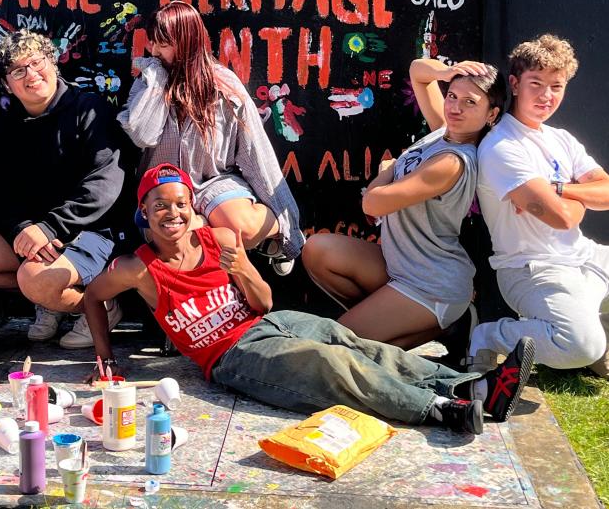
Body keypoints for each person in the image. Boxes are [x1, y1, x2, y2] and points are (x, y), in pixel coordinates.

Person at [83, 163, 534, 434]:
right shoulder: (136, 267)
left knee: (354, 344)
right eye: (159, 205)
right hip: (231, 356)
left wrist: (240, 268)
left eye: (180, 203)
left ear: (193, 207)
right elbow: (91, 298)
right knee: (330, 364)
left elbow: (261, 304)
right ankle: (441, 411)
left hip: (266, 324)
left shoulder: (219, 237)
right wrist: (106, 360)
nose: (172, 213)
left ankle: (474, 387)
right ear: (143, 211)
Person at [302, 59, 506, 350]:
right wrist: (445, 73)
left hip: (431, 284)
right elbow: (417, 71)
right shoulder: (443, 131)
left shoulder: (452, 161)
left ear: (491, 114)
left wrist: (389, 169)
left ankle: (437, 322)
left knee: (332, 345)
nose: (455, 108)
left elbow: (373, 204)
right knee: (317, 251)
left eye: (470, 102)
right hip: (400, 265)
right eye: (451, 96)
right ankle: (401, 323)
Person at [118, 1, 304, 275]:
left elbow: (256, 153)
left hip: (215, 181)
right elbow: (142, 134)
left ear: (187, 41)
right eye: (153, 43)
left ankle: (270, 240)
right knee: (176, 240)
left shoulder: (223, 84)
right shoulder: (148, 81)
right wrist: (157, 79)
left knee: (242, 228)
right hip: (166, 187)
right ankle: (204, 229)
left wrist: (291, 230)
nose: (154, 51)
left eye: (163, 44)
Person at [0, 31, 125, 348]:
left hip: (89, 232)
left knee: (34, 279)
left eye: (37, 63)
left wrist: (52, 226)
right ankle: (53, 302)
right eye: (18, 71)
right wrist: (25, 231)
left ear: (53, 63)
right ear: (8, 84)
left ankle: (101, 308)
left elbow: (106, 183)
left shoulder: (88, 109)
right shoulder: (6, 126)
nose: (31, 75)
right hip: (37, 235)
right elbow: (4, 194)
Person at [467, 34, 609, 377]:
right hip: (532, 269)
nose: (547, 96)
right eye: (537, 83)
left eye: (556, 86)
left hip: (583, 256)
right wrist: (577, 194)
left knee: (589, 338)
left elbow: (606, 190)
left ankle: (600, 337)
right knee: (578, 344)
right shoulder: (501, 146)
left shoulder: (561, 139)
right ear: (515, 84)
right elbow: (561, 218)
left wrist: (556, 188)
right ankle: (487, 336)